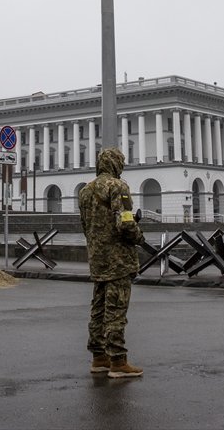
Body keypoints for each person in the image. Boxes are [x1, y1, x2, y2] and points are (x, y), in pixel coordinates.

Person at [79, 147, 144, 378]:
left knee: (98, 308)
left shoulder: (85, 191)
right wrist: (138, 236)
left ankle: (99, 357)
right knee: (116, 309)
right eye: (121, 162)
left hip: (97, 259)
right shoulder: (118, 186)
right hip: (118, 260)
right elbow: (125, 222)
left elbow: (85, 226)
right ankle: (118, 361)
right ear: (116, 164)